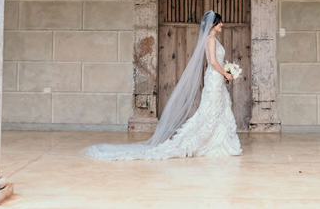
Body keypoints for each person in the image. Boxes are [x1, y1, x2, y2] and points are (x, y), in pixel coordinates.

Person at [85, 10, 242, 160]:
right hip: (215, 77)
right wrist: (226, 73)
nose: (222, 24)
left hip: (216, 78)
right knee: (211, 110)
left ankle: (219, 142)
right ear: (213, 24)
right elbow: (213, 62)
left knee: (219, 108)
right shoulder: (209, 40)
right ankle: (202, 142)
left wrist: (225, 72)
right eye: (220, 22)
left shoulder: (213, 40)